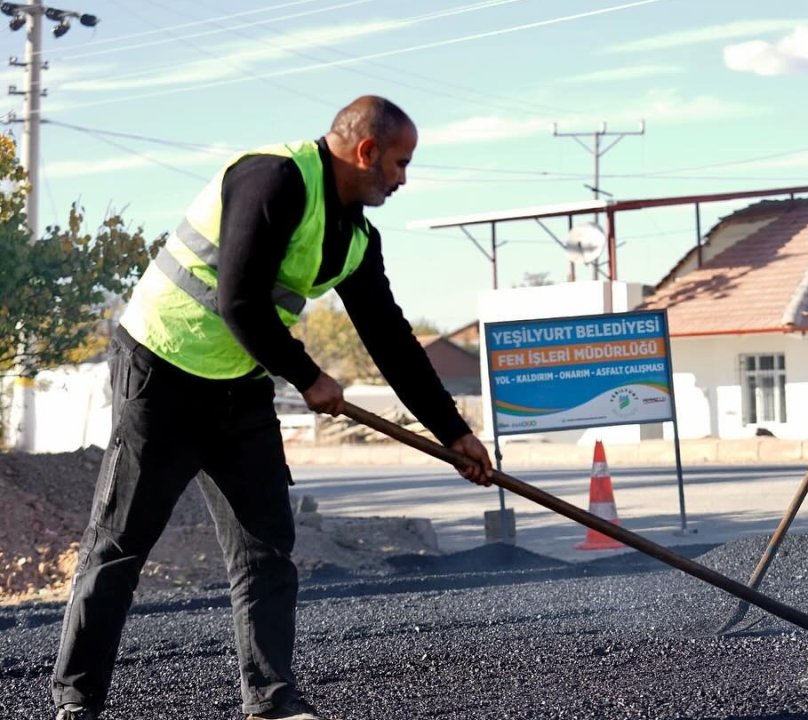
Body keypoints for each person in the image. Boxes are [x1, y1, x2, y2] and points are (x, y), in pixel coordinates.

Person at [50, 96, 494, 720]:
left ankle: (271, 699)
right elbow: (238, 300)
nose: (402, 179)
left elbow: (392, 341)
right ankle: (77, 701)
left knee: (266, 548)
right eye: (399, 162)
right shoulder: (273, 177)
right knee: (120, 545)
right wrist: (310, 377)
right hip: (162, 373)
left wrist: (453, 433)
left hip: (240, 386)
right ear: (366, 151)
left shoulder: (356, 239)